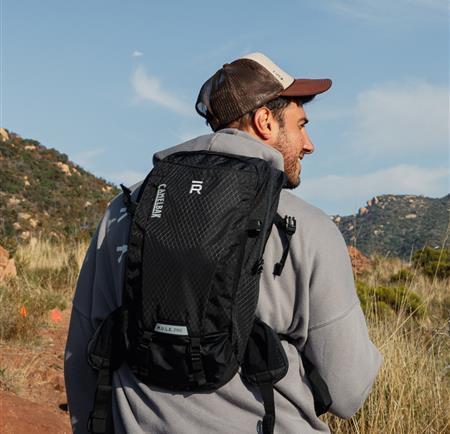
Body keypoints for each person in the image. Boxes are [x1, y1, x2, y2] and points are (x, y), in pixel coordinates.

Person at [65, 52, 381, 434]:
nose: (309, 144)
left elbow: (84, 354)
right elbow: (348, 393)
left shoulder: (125, 211)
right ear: (265, 121)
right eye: (301, 125)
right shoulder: (308, 227)